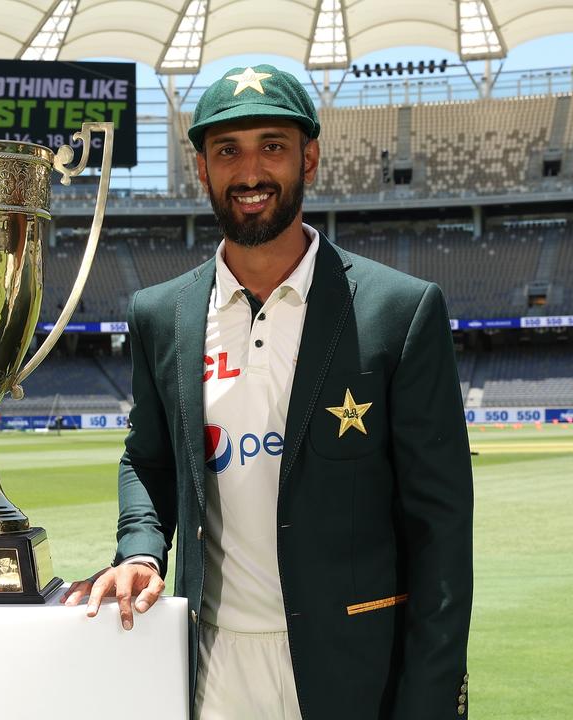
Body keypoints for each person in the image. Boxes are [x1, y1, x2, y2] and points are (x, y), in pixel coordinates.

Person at [64, 65, 473, 720]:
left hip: (355, 666)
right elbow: (149, 459)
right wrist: (140, 548)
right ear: (202, 167)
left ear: (309, 155)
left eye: (272, 146)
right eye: (228, 150)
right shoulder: (160, 314)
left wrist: (429, 698)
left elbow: (442, 532)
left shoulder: (401, 312)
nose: (250, 171)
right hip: (212, 667)